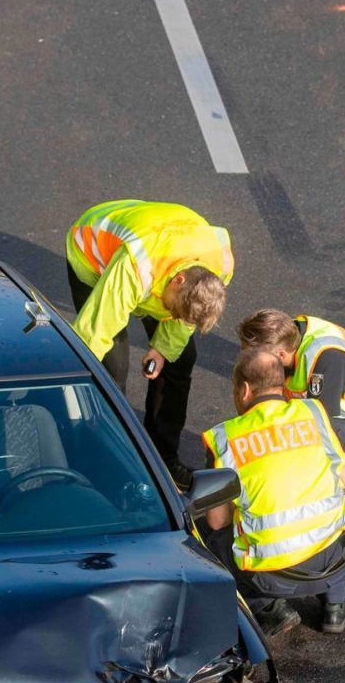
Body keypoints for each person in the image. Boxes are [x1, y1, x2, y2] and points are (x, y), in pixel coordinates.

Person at [66, 199, 234, 487]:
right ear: (178, 280)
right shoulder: (135, 265)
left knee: (180, 359)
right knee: (110, 368)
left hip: (161, 257)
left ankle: (163, 459)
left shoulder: (220, 264)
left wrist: (162, 349)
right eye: (172, 310)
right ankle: (108, 461)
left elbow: (183, 318)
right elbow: (94, 333)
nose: (172, 316)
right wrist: (71, 383)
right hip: (93, 255)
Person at [201, 349, 345, 637]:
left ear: (245, 389)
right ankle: (334, 606)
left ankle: (268, 609)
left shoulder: (225, 438)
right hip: (332, 561)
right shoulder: (312, 412)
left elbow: (216, 521)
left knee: (207, 534)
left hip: (271, 576)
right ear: (282, 385)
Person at [237, 308, 345, 520]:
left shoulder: (326, 360)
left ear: (280, 355)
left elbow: (320, 427)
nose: (247, 363)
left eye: (253, 358)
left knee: (309, 437)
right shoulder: (291, 335)